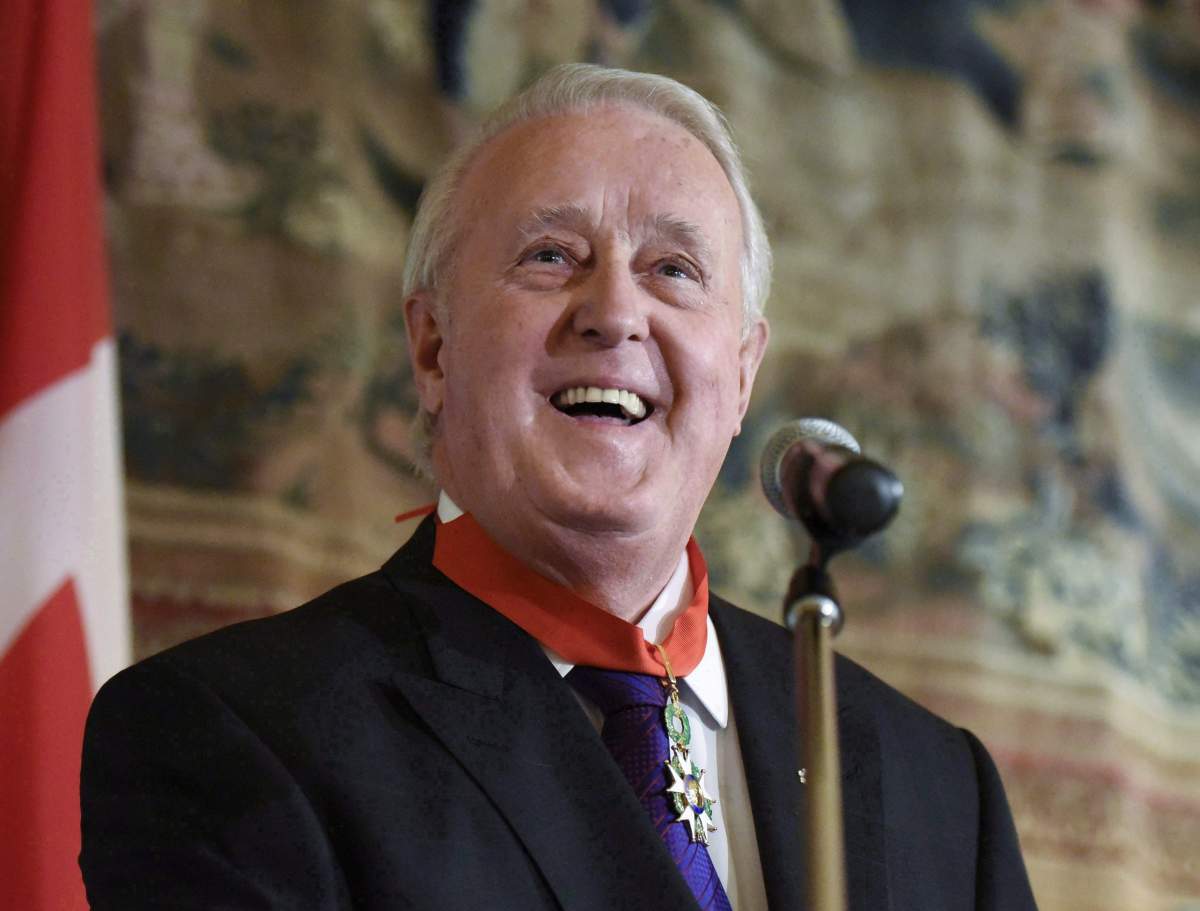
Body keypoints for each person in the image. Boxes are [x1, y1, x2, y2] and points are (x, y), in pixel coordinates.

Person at [80, 64, 1038, 910]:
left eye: (673, 269)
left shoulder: (937, 787)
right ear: (432, 347)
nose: (615, 311)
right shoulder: (235, 735)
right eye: (552, 257)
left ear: (742, 374)